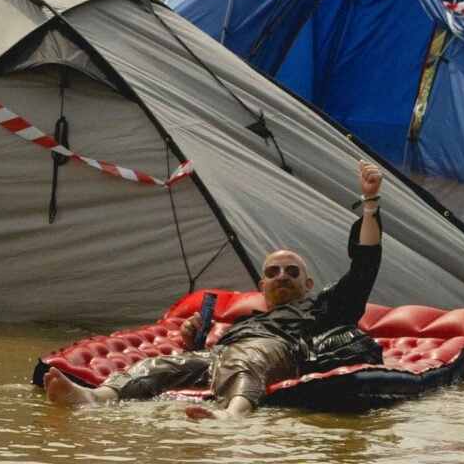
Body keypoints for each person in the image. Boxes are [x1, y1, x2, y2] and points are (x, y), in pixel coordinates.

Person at [43, 159, 384, 419]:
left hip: (278, 351)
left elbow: (364, 267)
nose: (282, 275)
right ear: (260, 284)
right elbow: (211, 353)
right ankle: (95, 398)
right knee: (159, 367)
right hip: (221, 354)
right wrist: (195, 341)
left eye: (291, 271)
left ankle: (232, 416)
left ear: (307, 283)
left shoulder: (323, 307)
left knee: (247, 357)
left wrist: (370, 204)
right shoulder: (244, 321)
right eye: (273, 271)